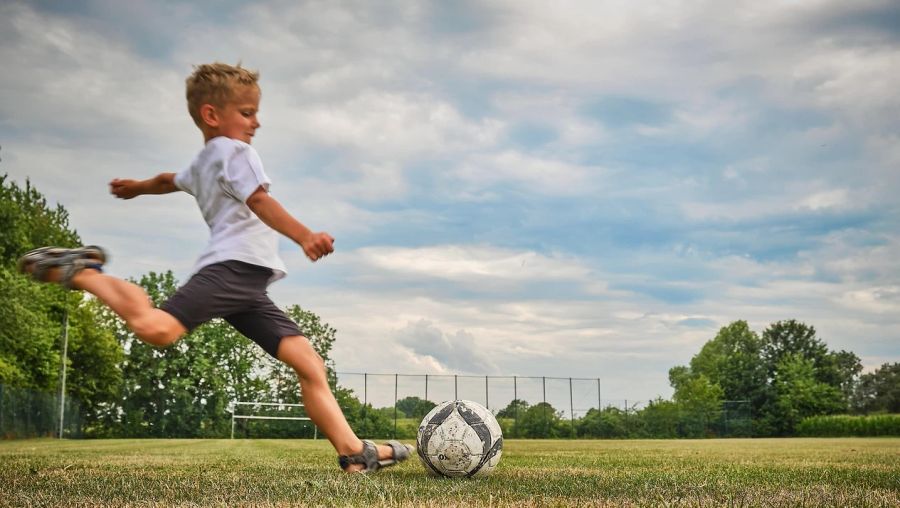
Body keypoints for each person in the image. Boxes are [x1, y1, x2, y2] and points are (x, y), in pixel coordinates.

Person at [18, 62, 411, 473]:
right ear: (211, 115)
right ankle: (83, 271)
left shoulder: (205, 161)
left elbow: (169, 179)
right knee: (157, 328)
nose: (256, 122)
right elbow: (259, 201)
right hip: (231, 270)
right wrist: (305, 236)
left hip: (248, 285)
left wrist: (136, 188)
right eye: (246, 113)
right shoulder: (235, 152)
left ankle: (355, 454)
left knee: (309, 363)